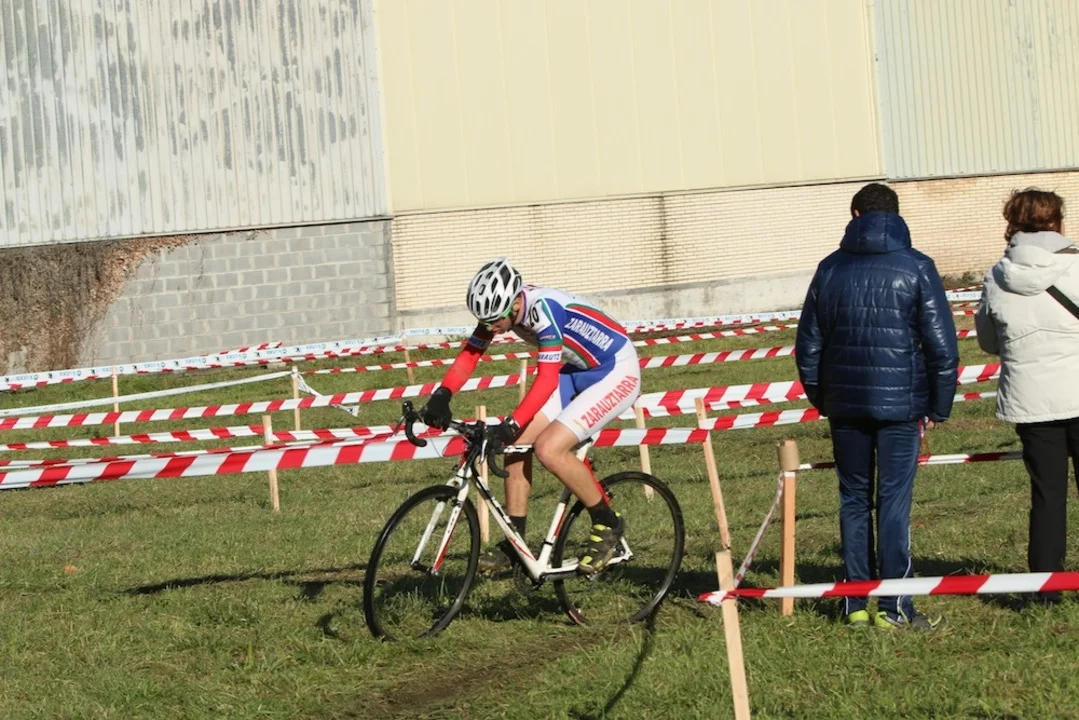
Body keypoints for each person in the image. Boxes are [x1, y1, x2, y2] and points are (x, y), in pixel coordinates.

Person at [795, 182, 959, 630]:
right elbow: (942, 347)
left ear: (855, 215)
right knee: (893, 502)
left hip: (845, 406)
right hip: (902, 407)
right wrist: (939, 406)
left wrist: (823, 398)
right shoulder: (918, 266)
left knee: (853, 500)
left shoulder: (829, 268)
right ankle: (894, 606)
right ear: (897, 215)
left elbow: (808, 346)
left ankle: (855, 603)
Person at [418, 258, 641, 575]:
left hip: (615, 371)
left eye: (495, 321)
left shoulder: (544, 310)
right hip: (576, 370)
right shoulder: (500, 312)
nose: (490, 328)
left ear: (514, 303)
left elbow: (546, 379)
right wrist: (442, 394)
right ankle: (516, 542)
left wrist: (510, 424)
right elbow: (470, 355)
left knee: (549, 449)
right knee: (516, 444)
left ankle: (607, 523)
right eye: (484, 321)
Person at [976, 189, 1079, 606]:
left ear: (1012, 224)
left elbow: (988, 342)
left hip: (1031, 399)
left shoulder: (997, 276)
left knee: (1047, 496)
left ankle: (1045, 587)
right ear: (1058, 222)